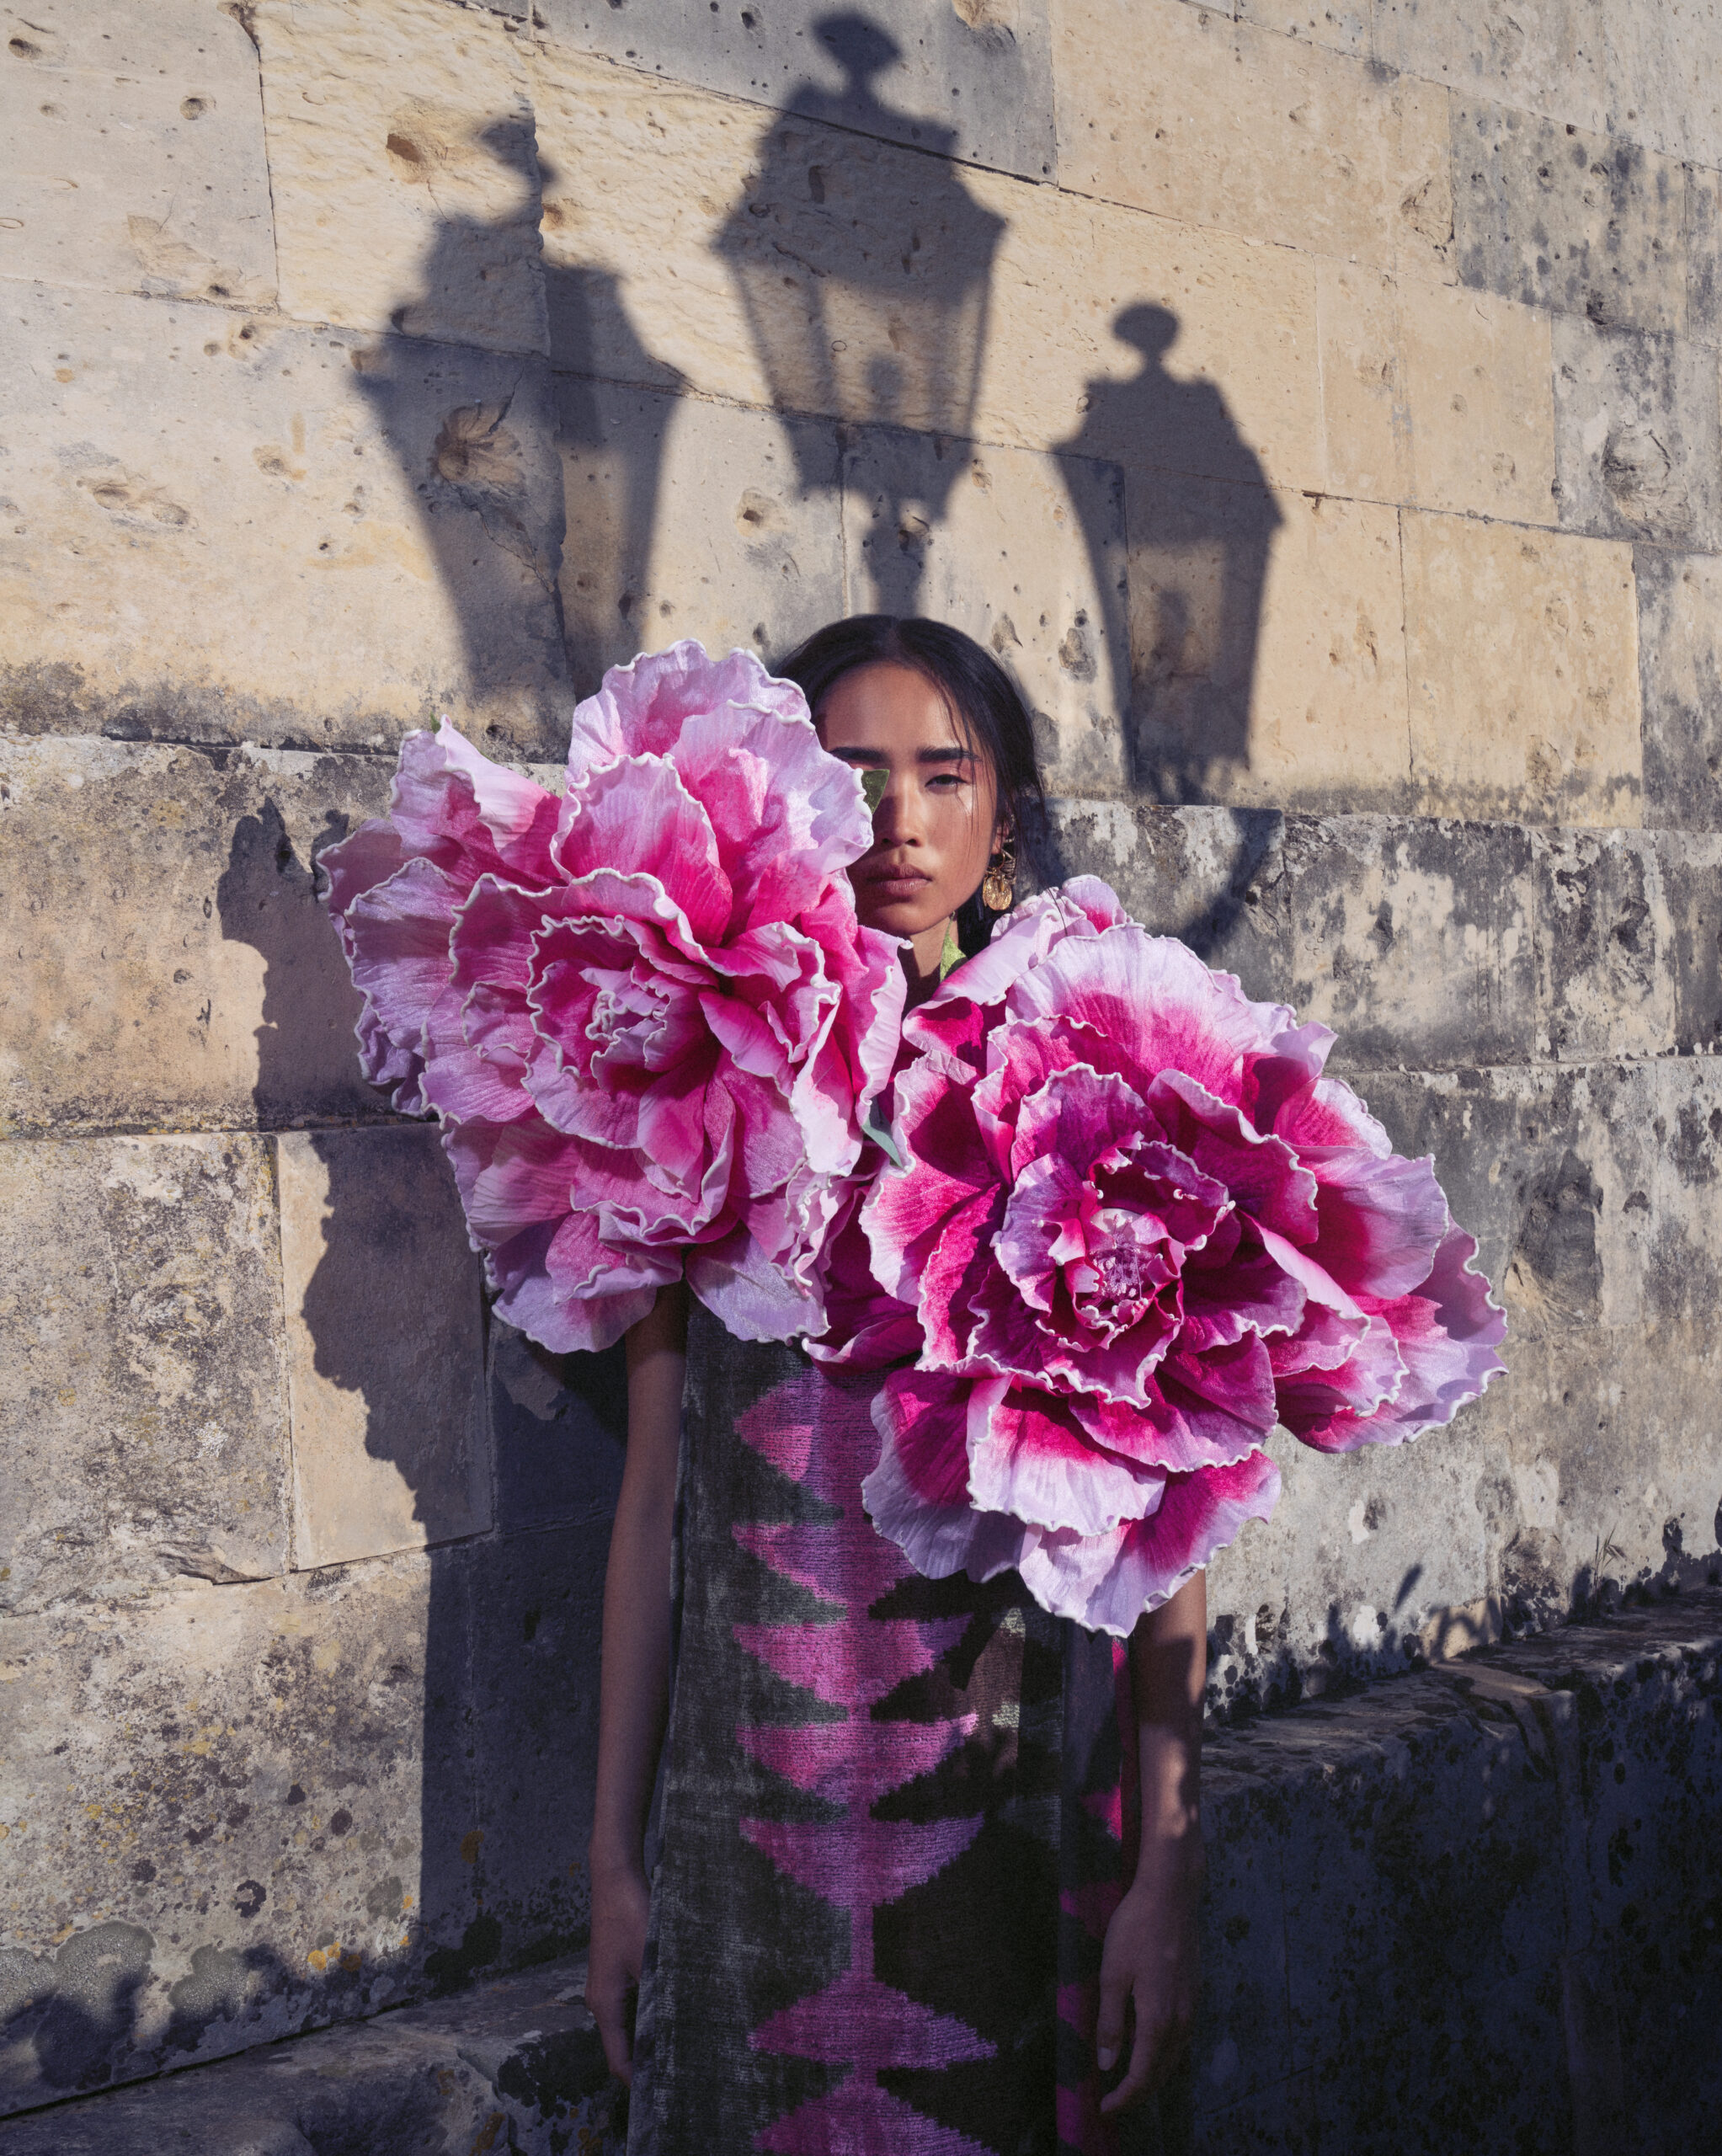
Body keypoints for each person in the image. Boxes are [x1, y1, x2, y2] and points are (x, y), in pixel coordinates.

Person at [585, 617, 1206, 2156]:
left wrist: (1168, 1863)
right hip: (749, 1840)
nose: (901, 822)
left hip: (1022, 1800)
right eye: (856, 776)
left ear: (1005, 822)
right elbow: (656, 1504)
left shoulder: (1082, 1079)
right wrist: (610, 1862)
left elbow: (1166, 1497)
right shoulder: (693, 1077)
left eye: (946, 775)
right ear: (785, 804)